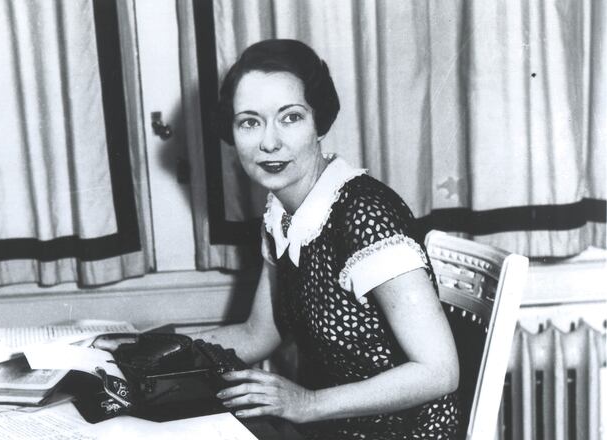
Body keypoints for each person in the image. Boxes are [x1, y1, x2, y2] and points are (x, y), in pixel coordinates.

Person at [197, 39, 461, 439]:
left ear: (319, 123)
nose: (269, 142)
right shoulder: (281, 213)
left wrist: (308, 404)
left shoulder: (366, 216)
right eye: (249, 122)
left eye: (290, 118)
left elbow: (439, 372)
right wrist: (149, 349)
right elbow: (259, 334)